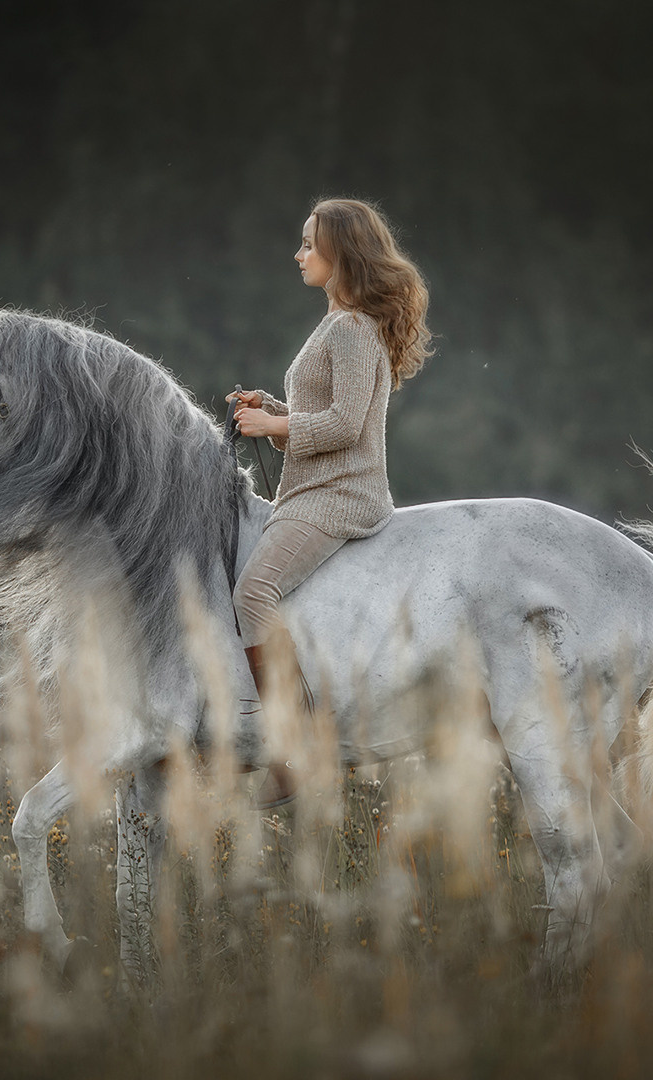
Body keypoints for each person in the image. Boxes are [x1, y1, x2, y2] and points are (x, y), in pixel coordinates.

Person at [226, 197, 432, 806]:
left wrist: (271, 429)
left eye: (309, 245)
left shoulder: (348, 328)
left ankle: (299, 746)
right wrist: (277, 412)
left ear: (339, 254)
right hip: (322, 486)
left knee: (252, 591)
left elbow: (346, 426)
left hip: (342, 495)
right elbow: (333, 416)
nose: (299, 255)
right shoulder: (344, 323)